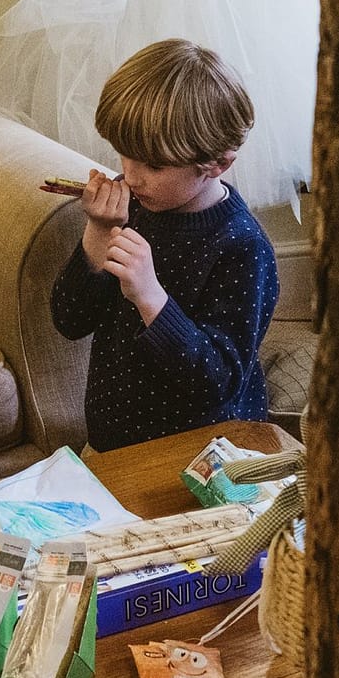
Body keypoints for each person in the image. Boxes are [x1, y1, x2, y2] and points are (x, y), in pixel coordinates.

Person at [49, 38, 280, 451]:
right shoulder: (133, 203)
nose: (130, 178)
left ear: (218, 164)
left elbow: (218, 382)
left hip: (202, 454)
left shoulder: (243, 249)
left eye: (153, 165)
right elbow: (70, 320)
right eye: (124, 156)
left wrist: (150, 296)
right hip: (113, 440)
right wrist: (98, 234)